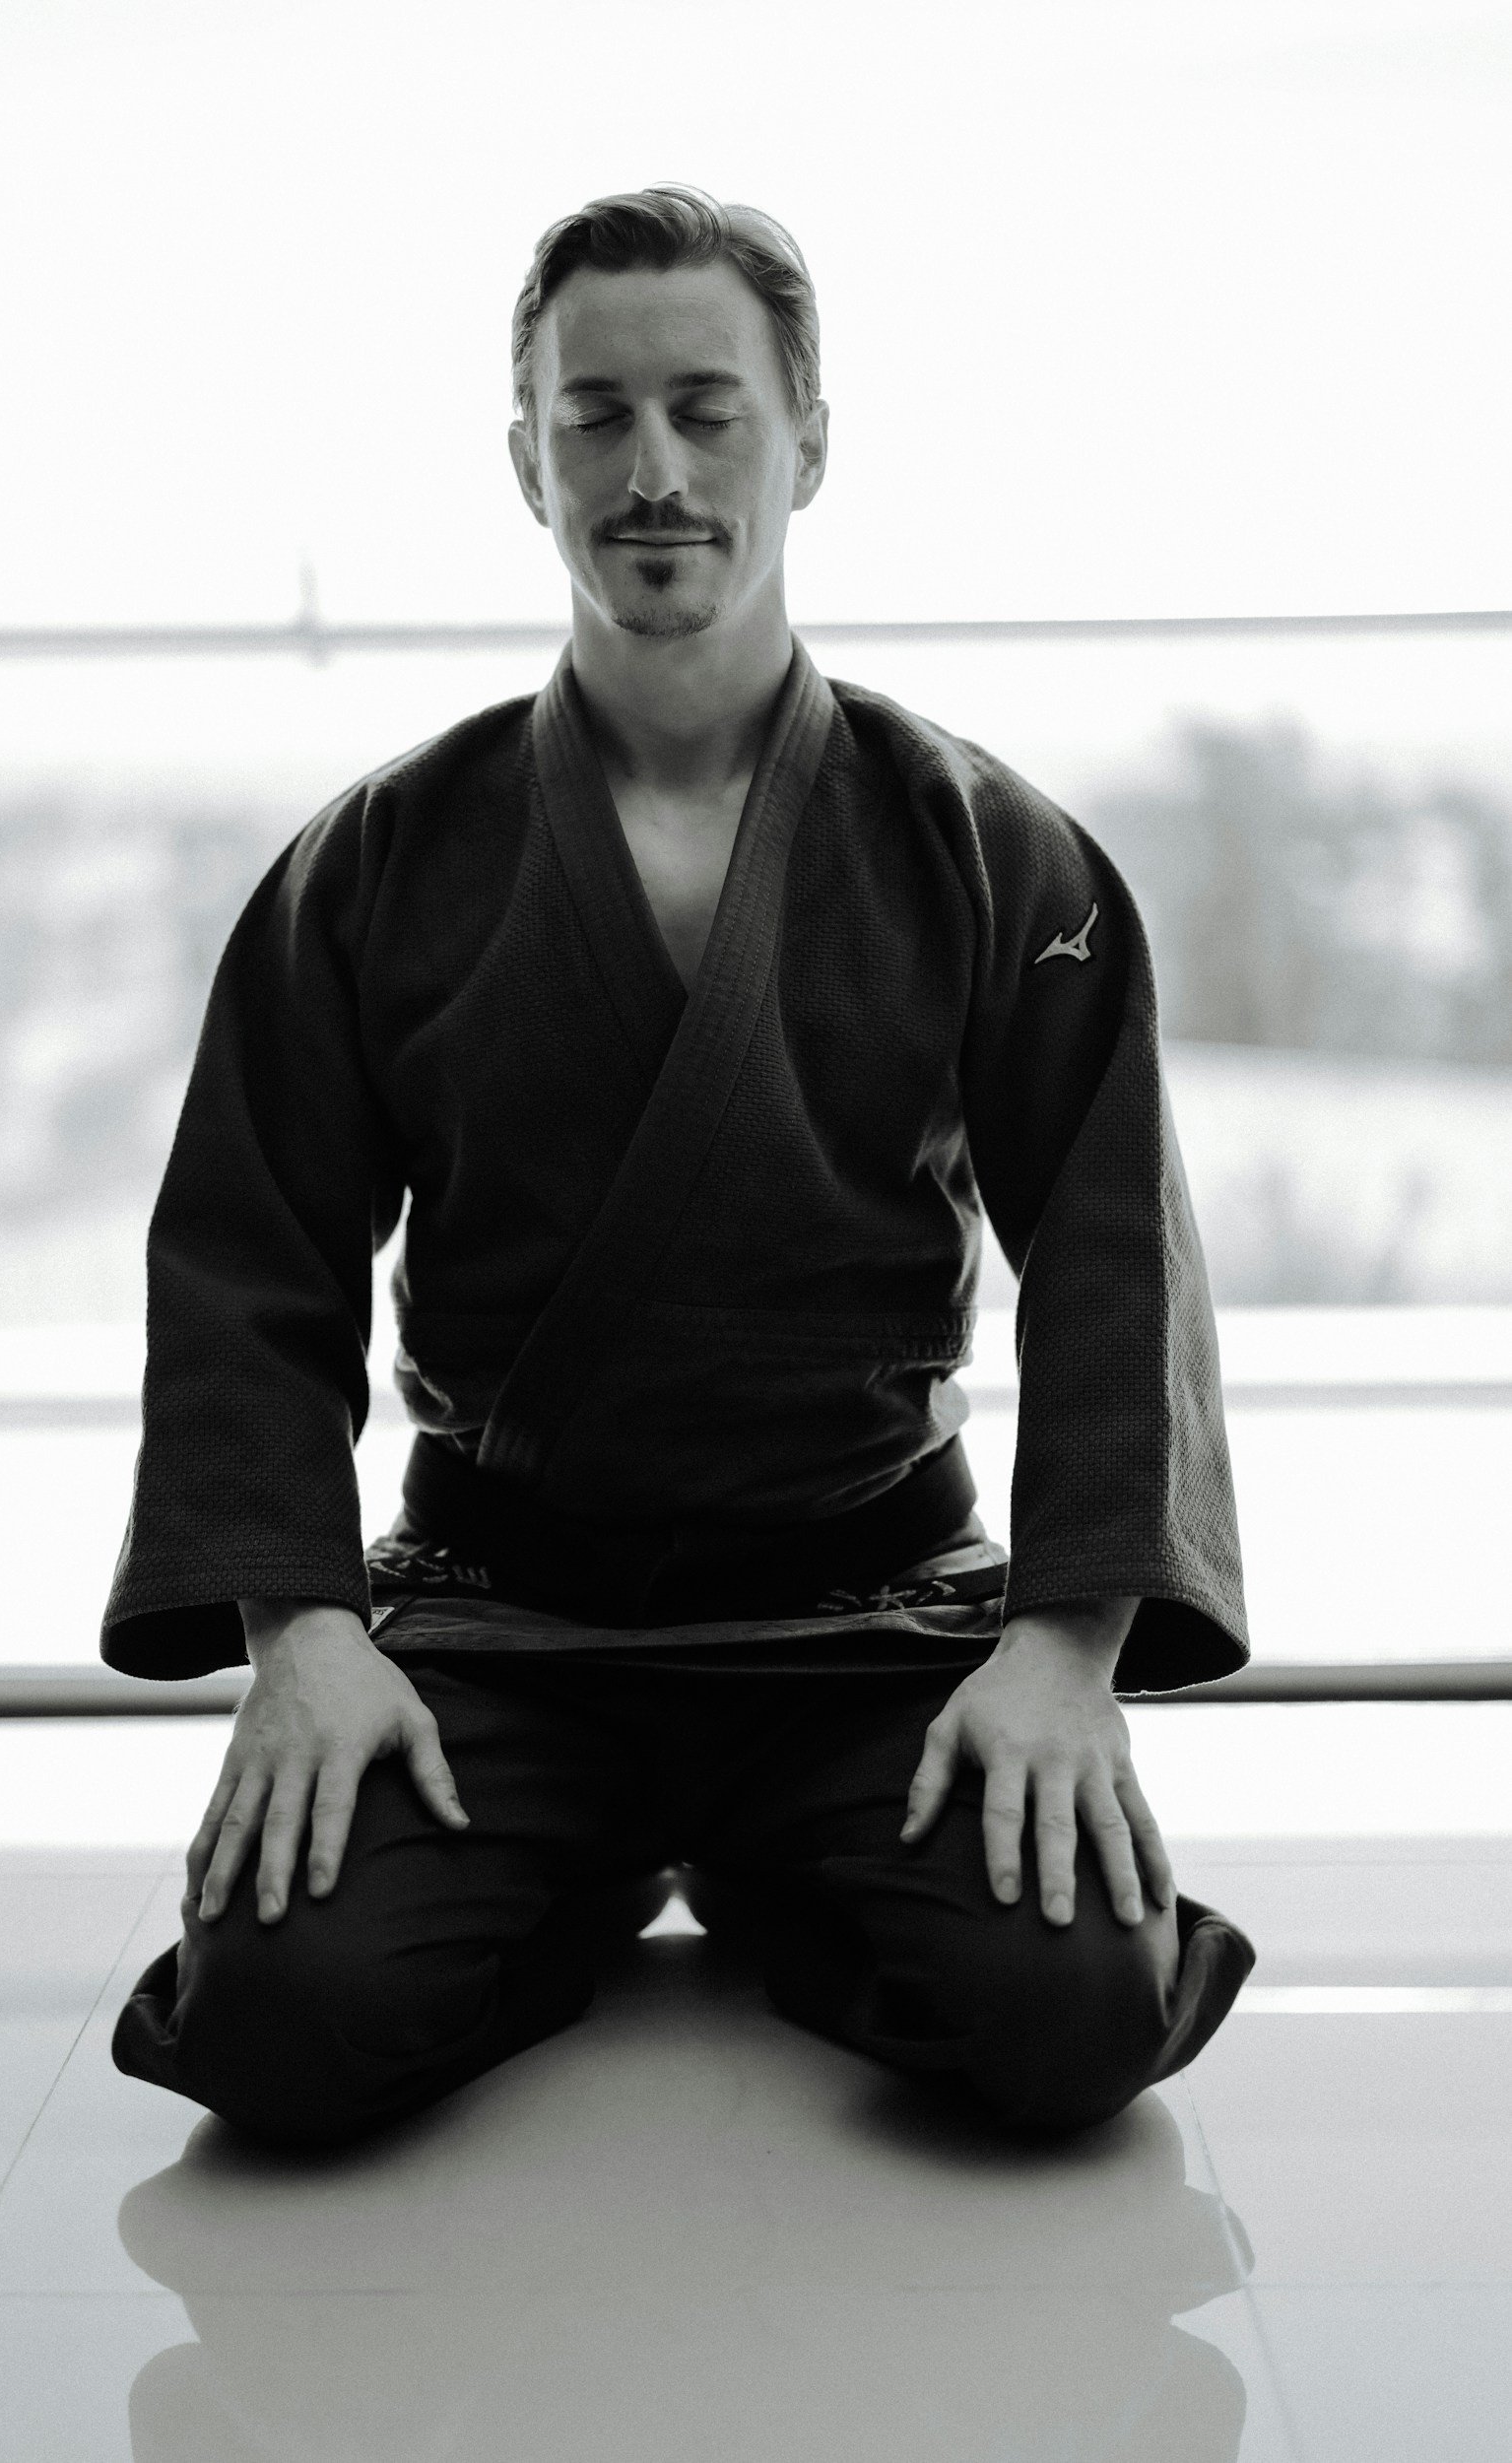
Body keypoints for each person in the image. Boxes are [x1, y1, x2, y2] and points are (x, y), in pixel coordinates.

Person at [104, 185, 1255, 2149]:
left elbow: (1116, 1259)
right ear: (525, 455)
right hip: (499, 1624)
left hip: (870, 1619)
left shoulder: (989, 848)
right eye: (597, 414)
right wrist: (303, 1632)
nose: (653, 471)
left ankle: (761, 1859)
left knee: (1067, 2018)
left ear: (808, 436)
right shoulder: (378, 863)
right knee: (281, 2017)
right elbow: (249, 1260)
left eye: (708, 410)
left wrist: (1062, 1650)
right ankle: (596, 1872)